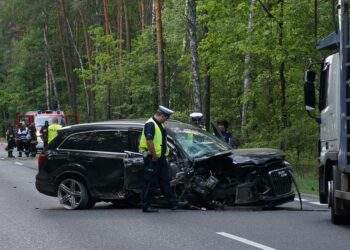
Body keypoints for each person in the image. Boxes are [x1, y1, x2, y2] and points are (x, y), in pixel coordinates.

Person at [139, 105, 182, 213]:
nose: (166, 119)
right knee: (150, 182)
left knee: (165, 180)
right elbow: (149, 141)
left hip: (160, 158)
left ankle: (173, 204)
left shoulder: (160, 125)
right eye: (166, 117)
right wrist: (154, 155)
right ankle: (146, 205)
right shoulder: (150, 124)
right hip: (152, 158)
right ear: (161, 115)